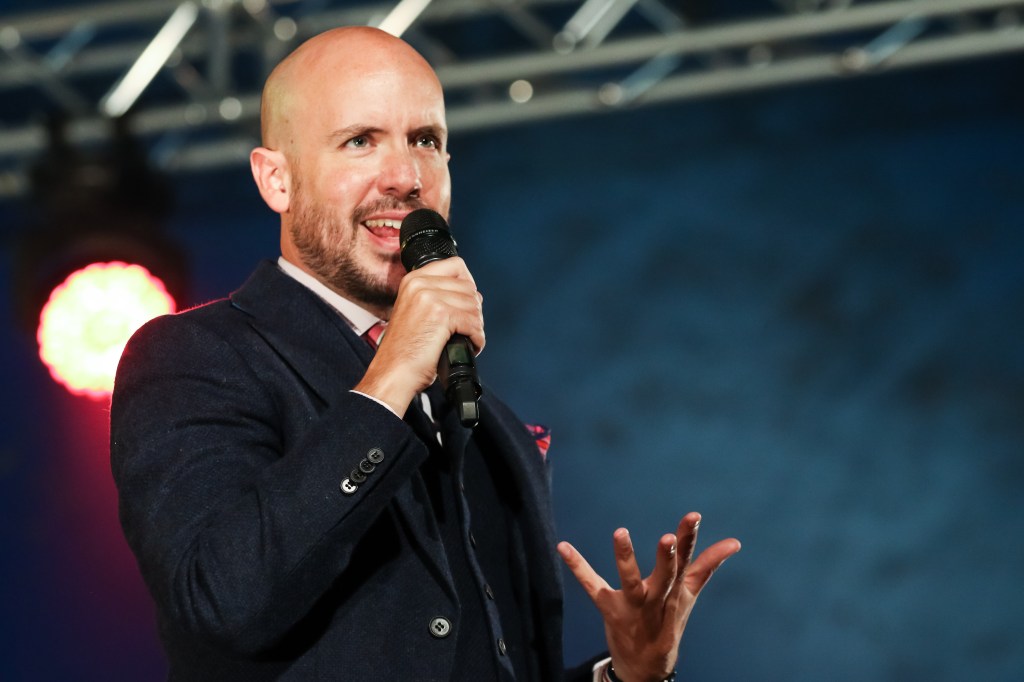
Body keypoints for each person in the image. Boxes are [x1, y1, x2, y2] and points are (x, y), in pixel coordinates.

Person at [110, 26, 740, 682]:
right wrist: (393, 376)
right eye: (360, 141)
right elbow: (222, 599)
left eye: (425, 141)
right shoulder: (196, 357)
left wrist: (626, 674)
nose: (406, 177)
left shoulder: (494, 427)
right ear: (277, 179)